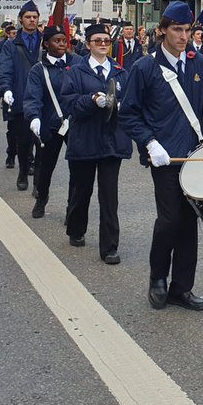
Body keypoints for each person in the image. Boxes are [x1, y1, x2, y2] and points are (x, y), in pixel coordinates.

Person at [120, 1, 203, 311]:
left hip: (195, 155)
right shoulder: (145, 68)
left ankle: (182, 287)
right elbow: (129, 113)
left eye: (187, 30)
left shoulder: (199, 63)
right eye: (177, 30)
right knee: (169, 220)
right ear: (162, 31)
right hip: (165, 158)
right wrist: (150, 144)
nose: (184, 36)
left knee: (188, 223)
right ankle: (157, 279)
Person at [59, 24, 130, 263]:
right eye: (97, 40)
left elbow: (132, 102)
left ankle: (109, 247)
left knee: (109, 196)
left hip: (112, 142)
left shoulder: (120, 72)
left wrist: (122, 107)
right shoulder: (76, 72)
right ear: (88, 44)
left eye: (106, 41)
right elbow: (68, 103)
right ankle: (76, 229)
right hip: (85, 140)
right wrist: (91, 101)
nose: (102, 44)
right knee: (82, 190)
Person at [22, 25, 75, 218]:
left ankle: (72, 208)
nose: (62, 44)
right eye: (57, 40)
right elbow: (32, 96)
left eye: (64, 40)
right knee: (45, 167)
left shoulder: (77, 63)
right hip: (50, 125)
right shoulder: (39, 69)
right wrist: (34, 117)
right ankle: (41, 198)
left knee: (77, 170)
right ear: (46, 44)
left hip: (75, 124)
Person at [0, 1, 42, 187]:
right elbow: (5, 69)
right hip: (22, 97)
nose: (32, 20)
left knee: (42, 143)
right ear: (20, 19)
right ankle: (23, 172)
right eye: (28, 17)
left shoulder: (46, 41)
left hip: (44, 99)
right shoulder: (11, 44)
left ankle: (40, 180)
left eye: (34, 17)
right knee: (23, 140)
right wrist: (6, 89)